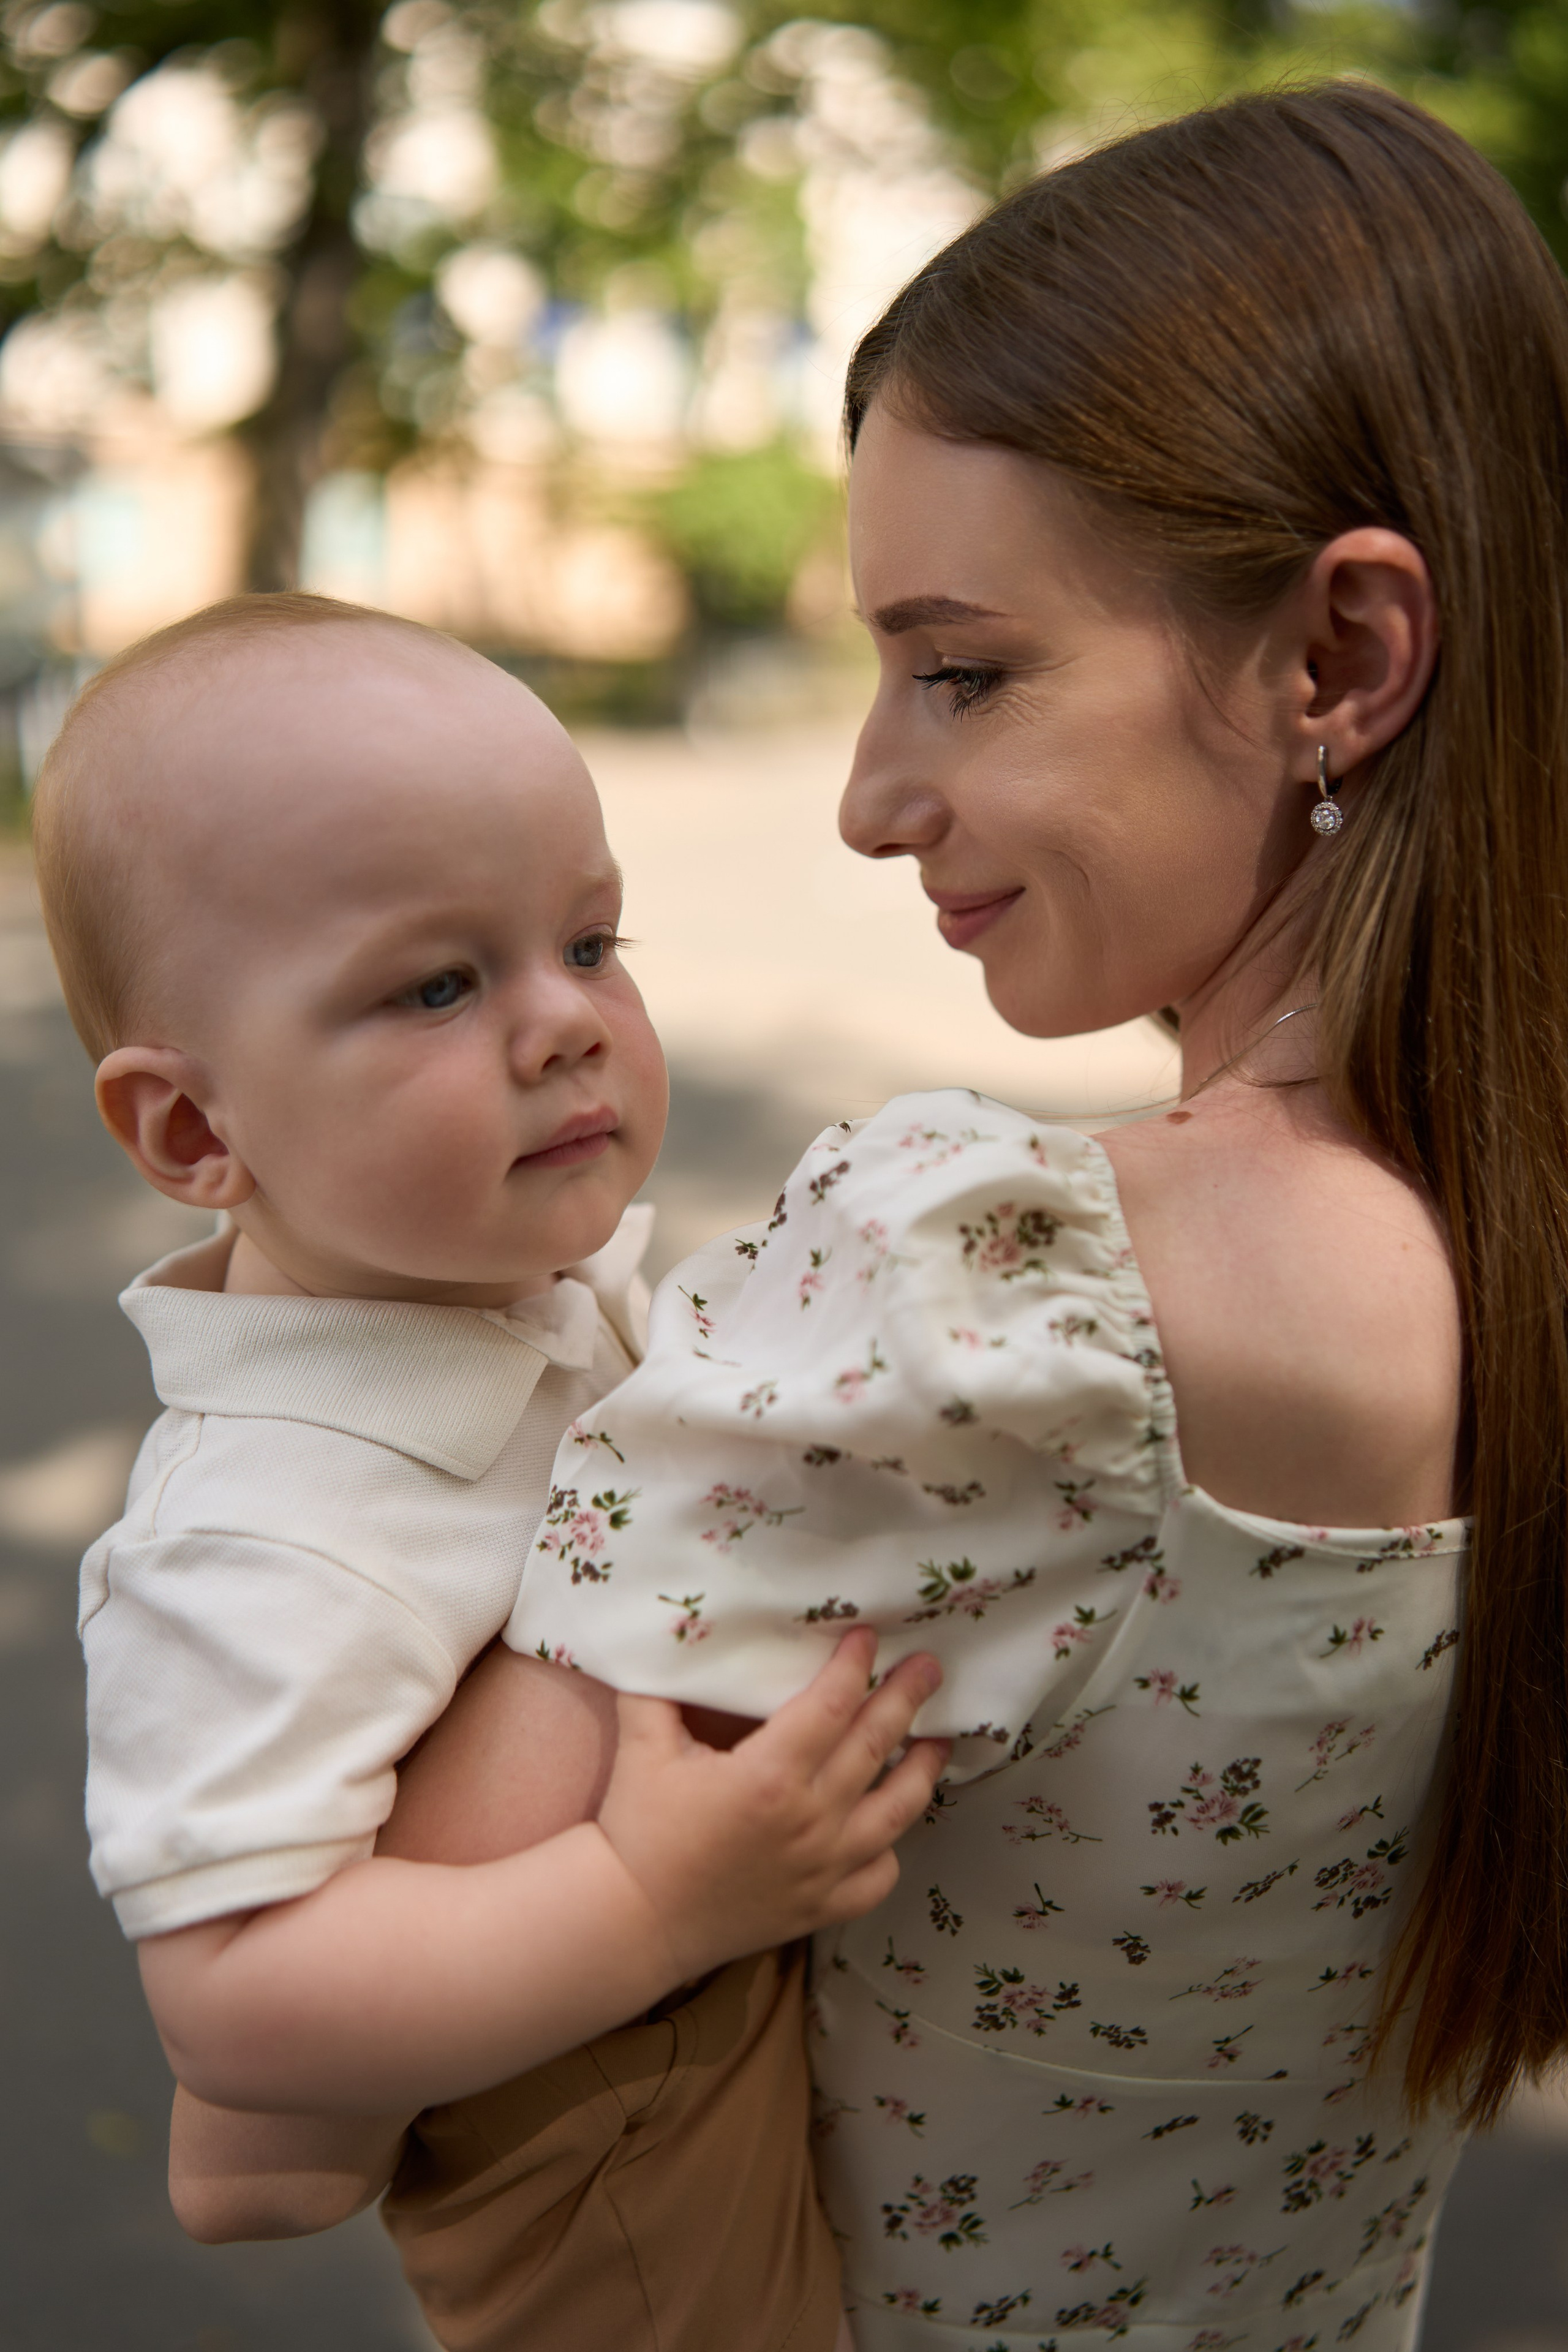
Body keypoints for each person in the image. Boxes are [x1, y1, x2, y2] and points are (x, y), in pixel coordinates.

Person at [508, 77, 1562, 2346]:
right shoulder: (1515, 1248)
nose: (881, 796)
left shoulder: (1012, 1292)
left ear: (1339, 662)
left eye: (964, 668)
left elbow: (408, 1869)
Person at [34, 594, 945, 2352]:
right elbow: (235, 2002)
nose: (566, 1025)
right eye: (441, 984)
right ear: (196, 1134)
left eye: (593, 943)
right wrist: (645, 1900)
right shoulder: (262, 1531)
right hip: (605, 2188)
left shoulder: (518, 1282)